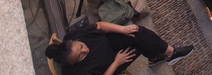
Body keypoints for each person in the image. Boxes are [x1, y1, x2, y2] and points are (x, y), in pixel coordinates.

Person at [45, 21, 192, 73]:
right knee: (141, 45)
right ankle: (164, 55)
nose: (85, 50)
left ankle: (167, 54)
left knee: (138, 32)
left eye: (81, 46)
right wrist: (116, 63)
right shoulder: (77, 73)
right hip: (110, 62)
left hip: (107, 42)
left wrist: (122, 29)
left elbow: (99, 26)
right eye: (81, 55)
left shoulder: (71, 38)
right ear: (72, 63)